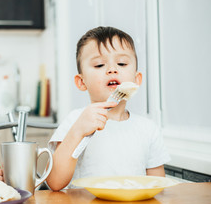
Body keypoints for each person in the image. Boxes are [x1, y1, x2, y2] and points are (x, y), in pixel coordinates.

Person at [46, 26, 170, 191]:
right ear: (81, 82)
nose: (112, 69)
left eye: (122, 63)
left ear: (136, 79)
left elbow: (158, 187)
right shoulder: (75, 120)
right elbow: (54, 182)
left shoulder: (148, 130)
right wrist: (78, 131)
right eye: (99, 65)